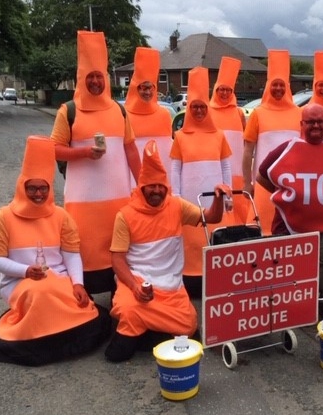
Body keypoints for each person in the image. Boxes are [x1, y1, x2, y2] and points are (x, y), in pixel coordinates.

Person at [0, 136, 110, 366]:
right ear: (22, 187)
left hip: (57, 279)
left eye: (43, 188)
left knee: (77, 302)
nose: (38, 194)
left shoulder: (61, 216)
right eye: (32, 188)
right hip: (19, 283)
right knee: (40, 294)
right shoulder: (2, 218)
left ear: (50, 188)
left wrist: (78, 284)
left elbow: (71, 254)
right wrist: (26, 271)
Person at [106, 141, 232, 362]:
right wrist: (135, 288)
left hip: (170, 285)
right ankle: (142, 331)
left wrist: (219, 198)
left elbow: (211, 218)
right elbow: (117, 261)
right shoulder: (125, 215)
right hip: (138, 283)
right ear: (142, 187)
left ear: (166, 186)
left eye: (160, 186)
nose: (156, 190)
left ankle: (146, 332)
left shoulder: (176, 206)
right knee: (127, 317)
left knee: (189, 323)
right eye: (151, 186)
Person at [50, 31, 141, 299]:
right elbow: (53, 149)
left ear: (106, 79)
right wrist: (84, 153)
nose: (94, 81)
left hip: (118, 200)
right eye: (89, 76)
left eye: (98, 76)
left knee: (119, 248)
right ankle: (83, 295)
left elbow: (131, 150)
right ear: (81, 79)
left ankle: (120, 293)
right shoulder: (68, 111)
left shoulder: (118, 110)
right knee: (84, 250)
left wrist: (144, 182)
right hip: (83, 202)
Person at [256, 103, 323, 319]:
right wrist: (287, 194)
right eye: (311, 122)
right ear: (302, 124)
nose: (316, 126)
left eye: (320, 121)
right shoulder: (285, 148)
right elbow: (262, 175)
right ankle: (292, 304)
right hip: (291, 222)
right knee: (288, 265)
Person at [170, 66, 233, 298]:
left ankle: (217, 278)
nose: (198, 110)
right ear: (188, 109)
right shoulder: (180, 137)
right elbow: (175, 168)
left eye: (202, 107)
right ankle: (190, 279)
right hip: (189, 197)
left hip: (215, 198)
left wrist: (228, 194)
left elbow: (226, 165)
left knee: (215, 235)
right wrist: (175, 196)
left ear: (207, 109)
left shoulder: (218, 135)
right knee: (191, 240)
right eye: (194, 106)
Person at [243, 49, 301, 235]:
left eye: (281, 85)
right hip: (263, 183)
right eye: (274, 85)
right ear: (268, 86)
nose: (278, 89)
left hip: (294, 183)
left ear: (288, 87)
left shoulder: (298, 112)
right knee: (263, 229)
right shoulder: (258, 113)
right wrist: (247, 182)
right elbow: (248, 151)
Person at [208, 56, 250, 221]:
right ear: (215, 90)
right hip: (216, 166)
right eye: (221, 89)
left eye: (228, 90)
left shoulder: (238, 112)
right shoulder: (208, 112)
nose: (224, 93)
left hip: (237, 169)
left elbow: (245, 140)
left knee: (239, 204)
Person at [125, 47, 173, 186]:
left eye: (150, 87)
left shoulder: (164, 114)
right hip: (132, 183)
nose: (147, 92)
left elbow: (167, 152)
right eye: (143, 87)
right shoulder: (123, 115)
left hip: (160, 184)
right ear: (135, 88)